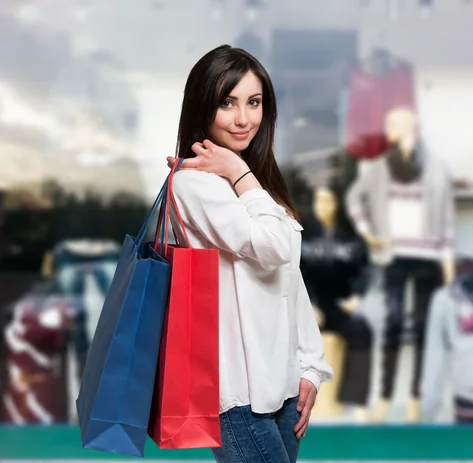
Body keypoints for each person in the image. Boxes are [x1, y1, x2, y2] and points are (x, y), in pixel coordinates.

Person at [165, 44, 333, 463]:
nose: (244, 119)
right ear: (203, 107)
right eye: (228, 103)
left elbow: (289, 279)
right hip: (236, 395)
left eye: (254, 102)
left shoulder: (255, 182)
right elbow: (273, 248)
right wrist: (241, 174)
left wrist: (310, 367)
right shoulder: (195, 185)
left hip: (282, 389)